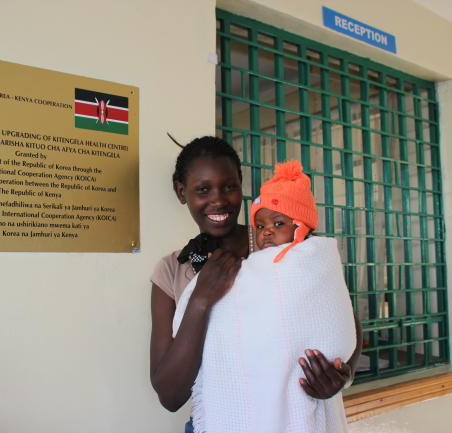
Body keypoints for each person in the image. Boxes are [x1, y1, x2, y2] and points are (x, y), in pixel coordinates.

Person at [149, 136, 362, 431]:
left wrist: (343, 375)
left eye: (229, 187)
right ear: (181, 192)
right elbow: (170, 395)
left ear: (240, 185)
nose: (219, 200)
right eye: (202, 189)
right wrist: (201, 298)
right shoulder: (173, 270)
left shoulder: (284, 243)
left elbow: (341, 319)